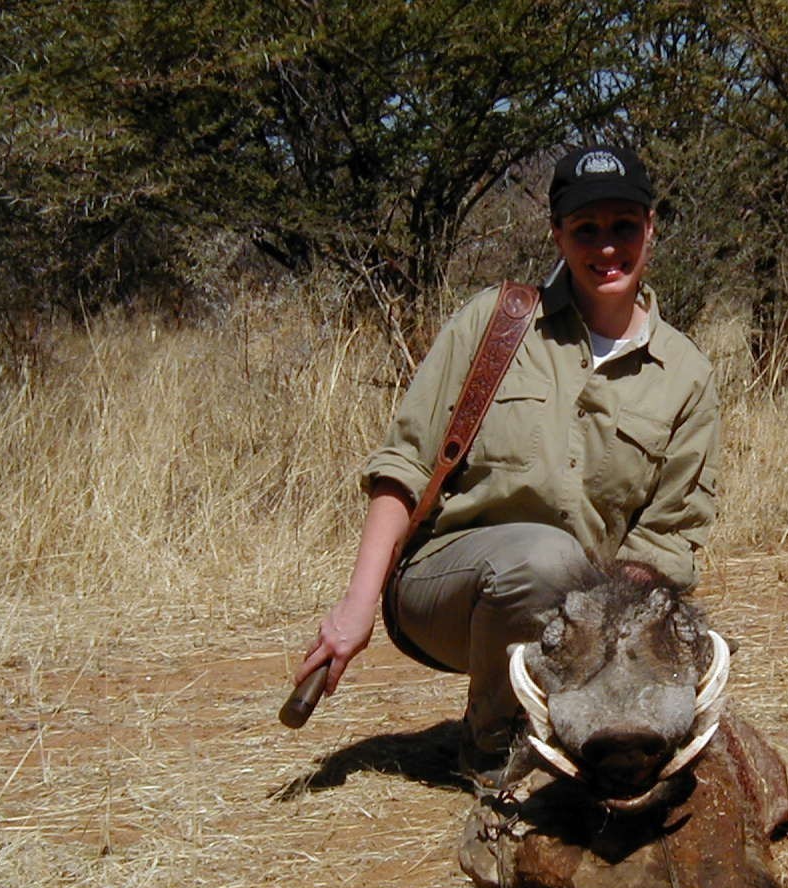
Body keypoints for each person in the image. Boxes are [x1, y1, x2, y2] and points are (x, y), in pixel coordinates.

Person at [291, 145, 720, 784]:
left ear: (651, 228)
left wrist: (612, 632)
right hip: (447, 589)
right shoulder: (495, 322)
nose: (608, 249)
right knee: (545, 560)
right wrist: (355, 608)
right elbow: (404, 463)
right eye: (587, 230)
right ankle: (492, 746)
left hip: (591, 604)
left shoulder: (686, 373)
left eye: (624, 227)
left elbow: (666, 535)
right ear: (557, 234)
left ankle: (571, 720)